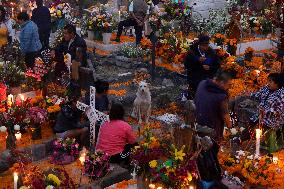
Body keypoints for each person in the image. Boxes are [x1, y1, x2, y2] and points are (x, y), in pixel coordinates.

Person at [194, 71, 232, 142]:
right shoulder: (221, 97)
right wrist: (231, 128)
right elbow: (225, 116)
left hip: (195, 123)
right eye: (228, 85)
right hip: (211, 131)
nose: (228, 87)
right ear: (221, 83)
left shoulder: (202, 83)